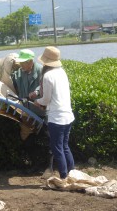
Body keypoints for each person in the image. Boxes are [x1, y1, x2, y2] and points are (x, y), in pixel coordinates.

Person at [34, 46, 75, 179]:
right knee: (65, 146)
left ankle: (63, 177)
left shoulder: (47, 76)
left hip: (56, 118)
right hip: (68, 116)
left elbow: (46, 99)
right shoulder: (61, 71)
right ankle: (72, 173)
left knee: (57, 148)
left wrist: (37, 101)